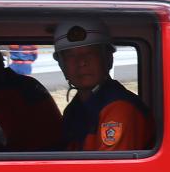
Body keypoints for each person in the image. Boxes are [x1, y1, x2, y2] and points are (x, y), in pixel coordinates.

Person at [53, 18, 152, 152]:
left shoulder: (119, 108)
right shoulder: (74, 109)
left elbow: (109, 170)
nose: (81, 62)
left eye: (90, 53)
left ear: (108, 59)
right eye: (71, 56)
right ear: (62, 65)